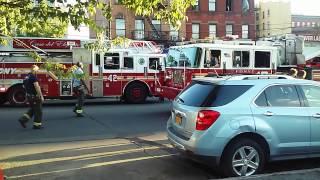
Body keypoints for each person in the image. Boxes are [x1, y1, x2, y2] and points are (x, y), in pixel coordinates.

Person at [18, 65, 44, 129]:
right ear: (34, 70)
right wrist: (41, 96)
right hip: (35, 97)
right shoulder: (33, 77)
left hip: (29, 96)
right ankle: (37, 125)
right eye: (37, 70)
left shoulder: (26, 77)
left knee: (32, 109)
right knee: (38, 111)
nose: (38, 71)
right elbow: (37, 87)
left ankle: (23, 119)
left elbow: (24, 87)